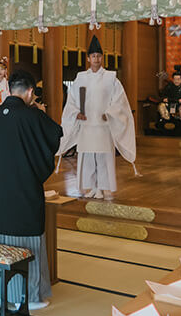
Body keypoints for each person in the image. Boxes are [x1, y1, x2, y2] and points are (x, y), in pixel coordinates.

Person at [0, 70, 62, 310]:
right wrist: (38, 111)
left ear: (9, 90)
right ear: (30, 92)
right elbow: (56, 134)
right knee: (29, 243)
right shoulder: (33, 116)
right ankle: (30, 296)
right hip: (24, 191)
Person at [58, 35, 137, 199]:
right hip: (86, 125)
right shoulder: (81, 77)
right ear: (88, 58)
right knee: (87, 158)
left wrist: (110, 113)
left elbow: (119, 100)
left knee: (102, 158)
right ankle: (92, 187)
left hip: (103, 125)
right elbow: (72, 100)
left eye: (99, 56)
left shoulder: (111, 77)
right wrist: (75, 113)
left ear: (102, 58)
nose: (96, 59)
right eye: (93, 56)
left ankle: (102, 188)